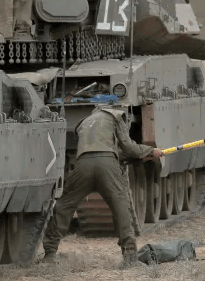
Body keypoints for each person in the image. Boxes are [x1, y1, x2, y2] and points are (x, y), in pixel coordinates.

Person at [42, 105, 163, 266]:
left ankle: (50, 253)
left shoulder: (84, 122)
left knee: (64, 205)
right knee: (120, 207)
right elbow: (127, 147)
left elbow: (98, 151)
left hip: (82, 164)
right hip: (107, 167)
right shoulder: (115, 117)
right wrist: (150, 151)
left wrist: (138, 156)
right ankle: (130, 257)